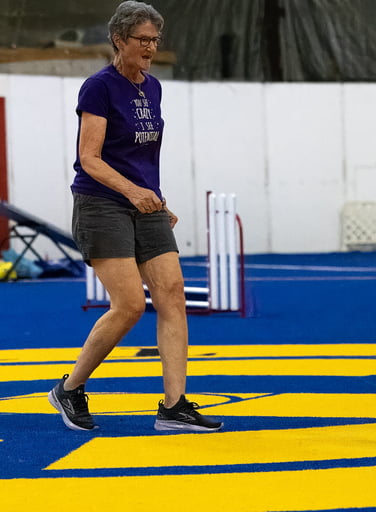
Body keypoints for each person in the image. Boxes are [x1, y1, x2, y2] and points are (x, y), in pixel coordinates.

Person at [47, 1, 222, 432]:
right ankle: (69, 389)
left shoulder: (153, 87)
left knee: (173, 293)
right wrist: (133, 191)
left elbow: (141, 158)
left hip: (146, 203)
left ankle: (174, 405)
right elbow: (89, 158)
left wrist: (156, 200)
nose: (149, 48)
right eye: (142, 40)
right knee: (127, 305)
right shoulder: (98, 88)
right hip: (101, 202)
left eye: (154, 40)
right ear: (118, 40)